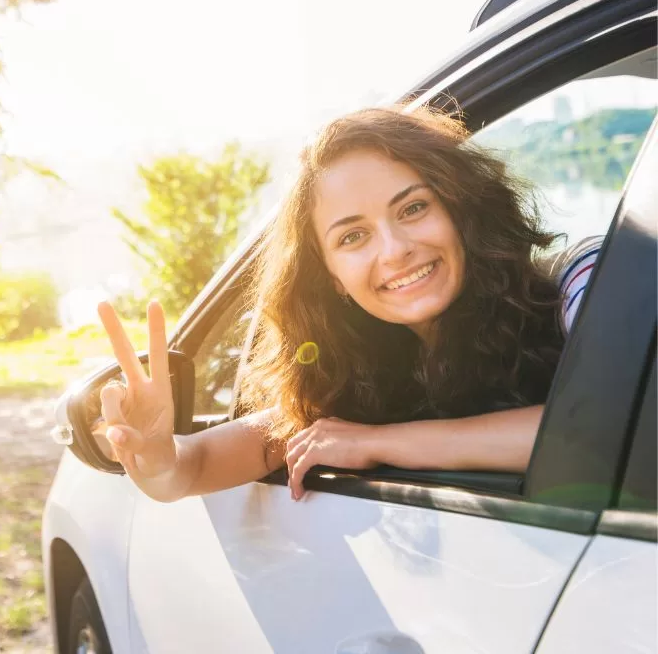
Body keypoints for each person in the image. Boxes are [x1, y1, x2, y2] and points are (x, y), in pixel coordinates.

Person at [95, 105, 601, 503]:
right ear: (330, 277)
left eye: (414, 207)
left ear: (460, 209)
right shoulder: (357, 382)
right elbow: (192, 469)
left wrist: (381, 442)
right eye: (353, 236)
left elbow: (608, 430)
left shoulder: (585, 284)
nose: (395, 249)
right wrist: (158, 457)